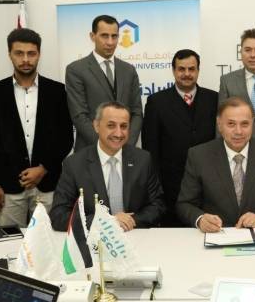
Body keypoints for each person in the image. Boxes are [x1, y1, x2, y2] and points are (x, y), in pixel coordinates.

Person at [0, 28, 73, 227]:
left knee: (49, 240)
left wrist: (43, 168)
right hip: (8, 187)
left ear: (39, 54)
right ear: (10, 54)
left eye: (31, 53)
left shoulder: (56, 91)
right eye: (19, 53)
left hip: (48, 184)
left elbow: (65, 137)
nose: (25, 59)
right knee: (10, 241)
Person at [176, 96, 255, 232]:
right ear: (219, 124)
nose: (238, 131)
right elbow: (185, 204)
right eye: (231, 124)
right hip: (217, 236)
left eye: (245, 124)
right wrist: (200, 219)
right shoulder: (199, 156)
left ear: (252, 124)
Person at [50, 102, 165, 232]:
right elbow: (59, 216)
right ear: (96, 126)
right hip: (94, 239)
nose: (118, 133)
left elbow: (158, 205)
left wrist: (129, 221)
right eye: (111, 126)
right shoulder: (74, 164)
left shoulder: (143, 159)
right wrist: (106, 221)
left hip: (134, 235)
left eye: (124, 126)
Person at [142, 49, 218, 226]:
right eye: (181, 69)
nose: (187, 74)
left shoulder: (214, 99)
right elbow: (151, 148)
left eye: (191, 69)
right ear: (173, 70)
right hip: (171, 188)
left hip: (208, 185)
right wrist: (157, 188)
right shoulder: (156, 102)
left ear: (198, 70)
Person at [65, 14, 143, 151]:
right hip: (90, 151)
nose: (110, 42)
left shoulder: (129, 70)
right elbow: (79, 116)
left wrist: (126, 145)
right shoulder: (76, 70)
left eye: (114, 36)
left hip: (125, 151)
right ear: (92, 36)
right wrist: (106, 147)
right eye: (104, 36)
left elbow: (136, 113)